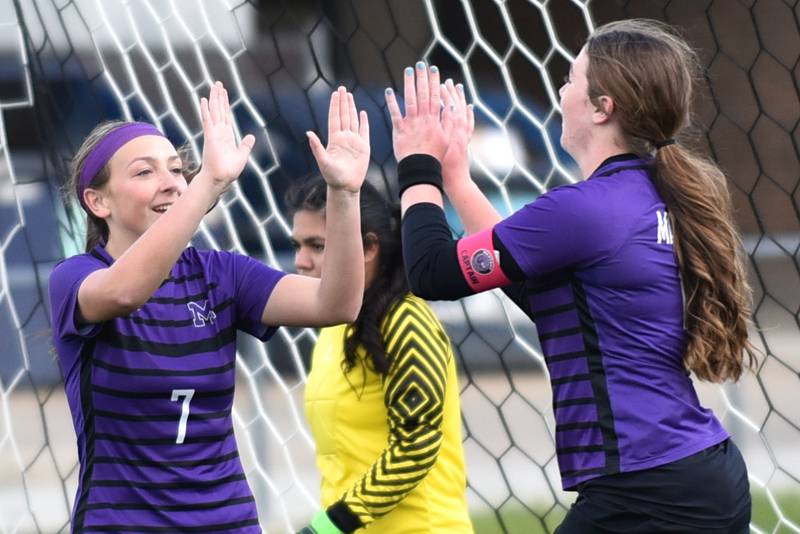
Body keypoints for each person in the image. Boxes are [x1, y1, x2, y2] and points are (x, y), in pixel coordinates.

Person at [385, 19, 754, 534]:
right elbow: (545, 295)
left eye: (570, 79)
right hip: (688, 477)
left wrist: (415, 164)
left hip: (647, 489)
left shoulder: (584, 209)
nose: (560, 90)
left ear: (604, 108)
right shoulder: (645, 194)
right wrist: (455, 179)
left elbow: (431, 273)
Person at [48, 83, 370, 532]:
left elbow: (336, 303)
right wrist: (208, 184)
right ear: (97, 201)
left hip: (227, 522)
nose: (170, 183)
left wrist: (346, 193)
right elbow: (127, 291)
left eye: (178, 170)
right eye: (144, 173)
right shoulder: (74, 278)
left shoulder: (221, 274)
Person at [288, 177, 473, 534]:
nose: (301, 261)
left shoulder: (407, 321)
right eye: (296, 245)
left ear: (370, 247)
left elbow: (417, 445)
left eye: (317, 246)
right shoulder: (335, 325)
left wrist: (331, 525)